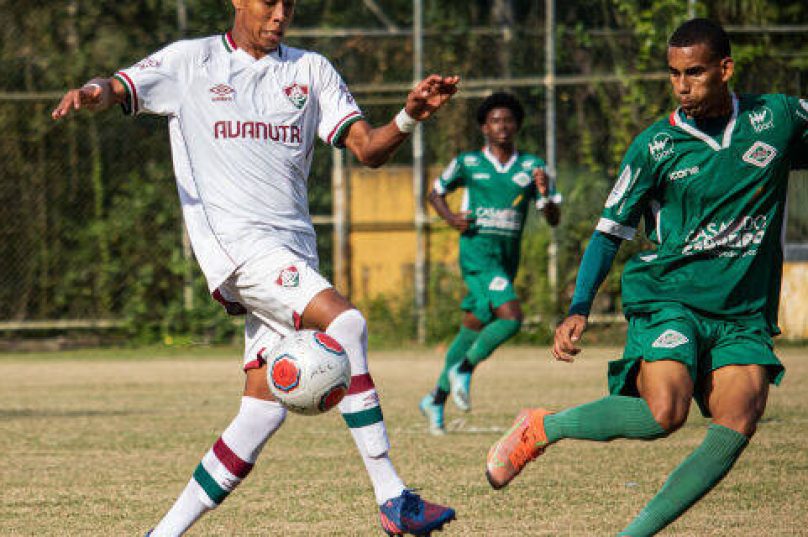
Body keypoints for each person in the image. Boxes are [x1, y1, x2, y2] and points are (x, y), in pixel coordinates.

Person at [52, 1, 459, 535]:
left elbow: (367, 149)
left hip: (292, 252)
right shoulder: (190, 61)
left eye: (289, 4)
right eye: (269, 2)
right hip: (238, 248)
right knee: (347, 323)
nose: (280, 13)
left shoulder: (309, 71)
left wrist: (409, 116)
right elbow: (119, 86)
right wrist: (91, 92)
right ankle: (393, 497)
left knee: (262, 413)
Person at [485, 18, 807, 536]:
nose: (682, 85)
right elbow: (609, 231)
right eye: (674, 74)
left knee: (739, 418)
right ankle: (543, 427)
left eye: (695, 73)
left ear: (725, 69)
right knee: (665, 412)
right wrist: (578, 307)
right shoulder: (656, 146)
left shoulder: (779, 117)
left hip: (743, 313)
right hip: (669, 297)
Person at [419, 92, 561, 435]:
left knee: (472, 326)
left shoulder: (533, 168)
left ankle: (435, 398)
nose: (503, 126)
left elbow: (554, 218)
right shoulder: (468, 163)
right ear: (484, 127)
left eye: (508, 120)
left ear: (517, 126)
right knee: (511, 318)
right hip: (477, 255)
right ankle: (463, 371)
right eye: (495, 120)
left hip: (506, 259)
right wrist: (452, 217)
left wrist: (543, 193)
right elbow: (435, 192)